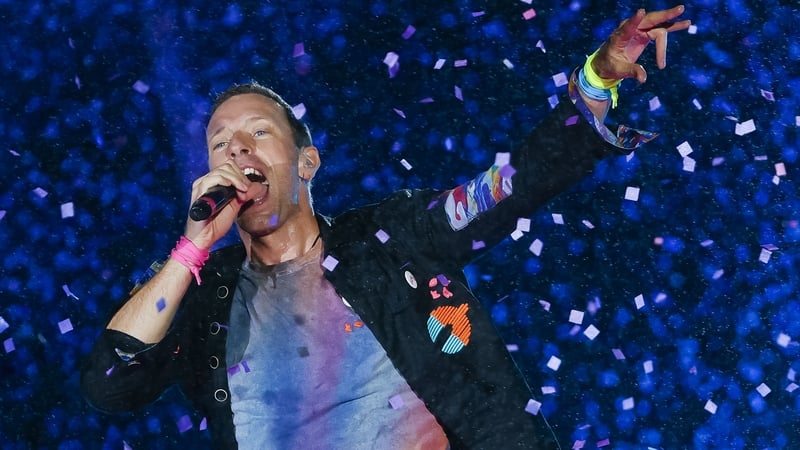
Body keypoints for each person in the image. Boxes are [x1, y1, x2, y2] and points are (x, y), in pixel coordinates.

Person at [81, 6, 690, 449]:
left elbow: (514, 185)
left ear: (306, 162)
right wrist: (192, 247)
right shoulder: (201, 296)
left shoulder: (394, 237)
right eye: (220, 144)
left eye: (258, 134)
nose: (237, 152)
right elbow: (111, 386)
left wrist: (595, 81)